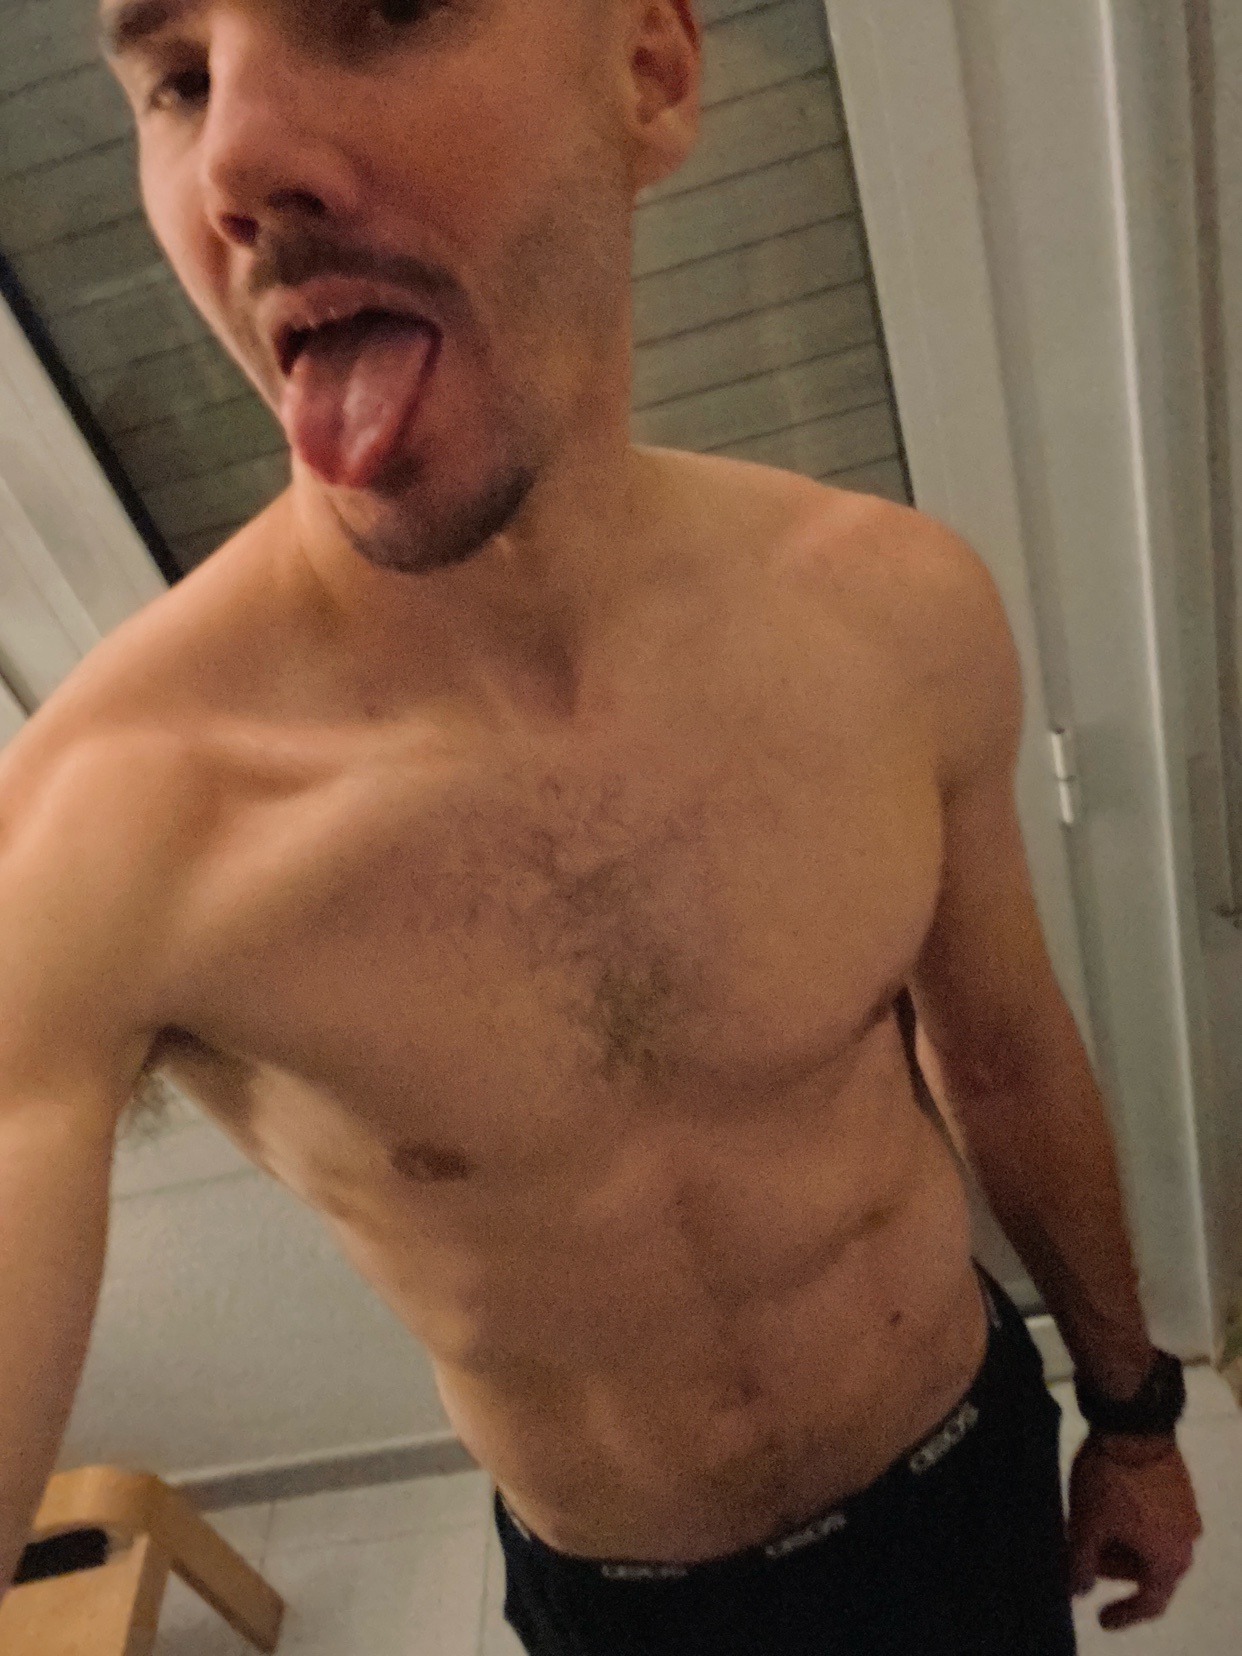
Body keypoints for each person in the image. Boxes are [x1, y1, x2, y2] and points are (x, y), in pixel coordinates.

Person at [0, 1, 1201, 1650]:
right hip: (627, 1605)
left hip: (961, 1477)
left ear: (648, 72)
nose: (234, 159)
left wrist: (1131, 1415)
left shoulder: (890, 615)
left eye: (375, 10)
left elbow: (1000, 1058)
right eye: (178, 81)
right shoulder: (110, 825)